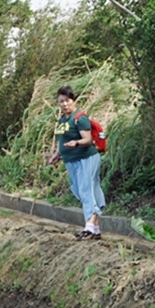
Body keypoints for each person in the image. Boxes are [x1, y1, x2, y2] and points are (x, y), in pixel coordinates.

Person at [51, 86, 105, 240]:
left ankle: (89, 227)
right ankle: (95, 229)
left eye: (67, 100)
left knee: (86, 189)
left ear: (73, 101)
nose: (64, 104)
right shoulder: (62, 120)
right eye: (61, 101)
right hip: (71, 161)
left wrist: (76, 143)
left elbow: (87, 140)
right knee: (81, 191)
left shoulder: (80, 118)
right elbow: (62, 141)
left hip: (86, 158)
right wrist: (57, 154)